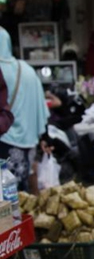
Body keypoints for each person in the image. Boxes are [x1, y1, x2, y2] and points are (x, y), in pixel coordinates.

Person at [0, 27, 49, 192]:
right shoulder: (26, 70)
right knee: (19, 194)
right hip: (26, 142)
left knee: (4, 196)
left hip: (3, 140)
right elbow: (40, 107)